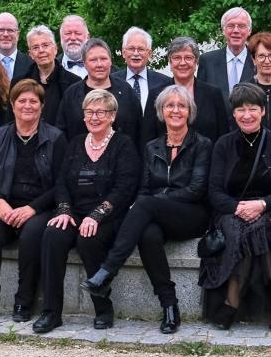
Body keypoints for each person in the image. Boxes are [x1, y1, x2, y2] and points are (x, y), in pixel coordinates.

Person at [82, 86, 212, 335]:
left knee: (145, 204)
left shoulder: (202, 144)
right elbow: (143, 188)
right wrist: (152, 204)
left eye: (181, 106)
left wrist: (156, 202)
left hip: (191, 215)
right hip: (155, 214)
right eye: (169, 105)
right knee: (148, 234)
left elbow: (196, 190)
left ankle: (108, 270)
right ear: (161, 111)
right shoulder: (152, 146)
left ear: (189, 111)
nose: (175, 110)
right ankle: (170, 306)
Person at [33, 90, 140, 333]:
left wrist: (97, 215)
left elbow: (125, 188)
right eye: (89, 112)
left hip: (109, 216)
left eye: (101, 112)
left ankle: (103, 308)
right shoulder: (75, 143)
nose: (94, 117)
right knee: (52, 234)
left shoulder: (123, 145)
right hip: (74, 212)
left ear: (112, 116)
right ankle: (51, 313)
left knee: (88, 238)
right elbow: (61, 182)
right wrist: (63, 210)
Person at [200, 83, 271, 332]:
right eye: (240, 110)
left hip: (268, 208)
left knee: (262, 227)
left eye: (253, 108)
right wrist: (236, 207)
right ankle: (233, 300)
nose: (247, 115)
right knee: (240, 230)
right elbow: (214, 191)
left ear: (263, 111)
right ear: (233, 114)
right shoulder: (223, 144)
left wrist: (262, 204)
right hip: (231, 210)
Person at [0, 79, 68, 323]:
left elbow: (61, 185)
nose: (28, 106)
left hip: (40, 206)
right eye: (22, 101)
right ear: (12, 105)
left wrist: (32, 208)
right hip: (4, 203)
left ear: (42, 106)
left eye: (33, 101)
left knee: (33, 234)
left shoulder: (56, 138)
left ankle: (24, 302)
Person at [56, 38, 142, 156]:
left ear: (110, 61)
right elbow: (62, 132)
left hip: (123, 162)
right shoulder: (71, 94)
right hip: (80, 163)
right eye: (93, 60)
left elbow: (139, 131)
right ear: (85, 64)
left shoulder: (126, 91)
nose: (99, 64)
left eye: (103, 59)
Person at [144, 37, 230, 144]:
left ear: (196, 62)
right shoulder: (156, 94)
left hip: (207, 159)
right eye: (177, 58)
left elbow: (223, 138)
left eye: (188, 58)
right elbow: (147, 139)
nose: (182, 63)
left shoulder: (213, 94)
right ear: (170, 63)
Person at [12, 25, 79, 125]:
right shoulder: (18, 83)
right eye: (35, 47)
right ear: (31, 54)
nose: (41, 50)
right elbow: (11, 120)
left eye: (45, 45)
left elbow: (75, 120)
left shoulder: (74, 83)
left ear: (55, 49)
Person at [197, 7, 256, 99]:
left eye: (241, 26)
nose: (236, 31)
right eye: (231, 26)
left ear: (249, 31)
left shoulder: (258, 61)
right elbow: (201, 97)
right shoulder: (207, 61)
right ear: (223, 31)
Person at [111, 27, 170, 117]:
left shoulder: (165, 83)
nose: (136, 53)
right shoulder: (111, 81)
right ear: (123, 53)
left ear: (149, 53)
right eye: (131, 49)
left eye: (141, 49)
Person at [0, 12, 33, 81]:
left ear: (17, 35)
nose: (5, 34)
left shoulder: (31, 64)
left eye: (10, 30)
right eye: (1, 30)